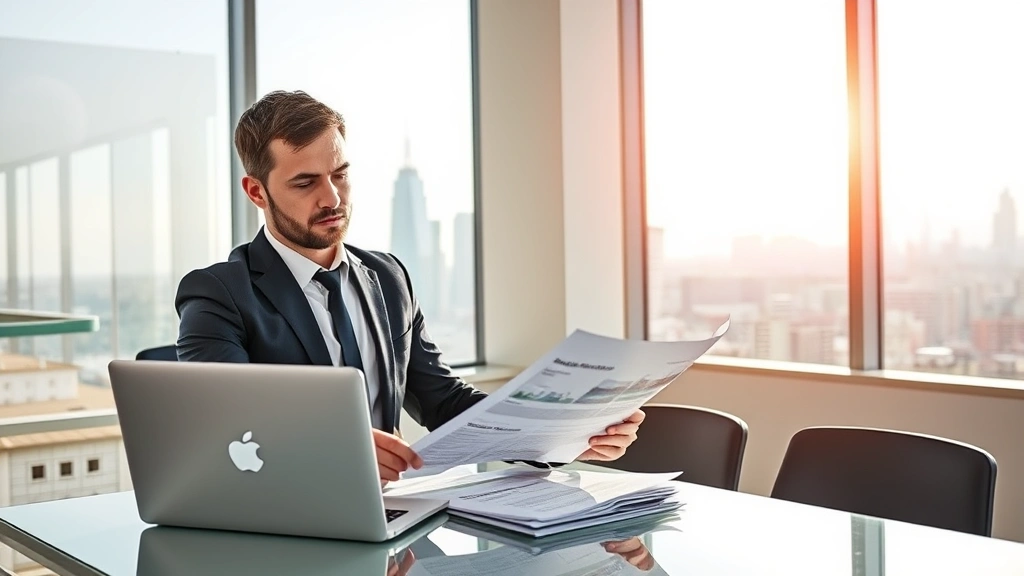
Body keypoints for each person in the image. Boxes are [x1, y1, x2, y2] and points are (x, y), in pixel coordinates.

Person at [175, 90, 645, 484]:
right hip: (283, 521)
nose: (332, 197)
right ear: (257, 192)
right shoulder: (219, 293)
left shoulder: (387, 277)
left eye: (340, 174)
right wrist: (338, 452)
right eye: (305, 183)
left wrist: (567, 434)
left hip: (392, 518)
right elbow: (226, 422)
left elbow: (445, 402)